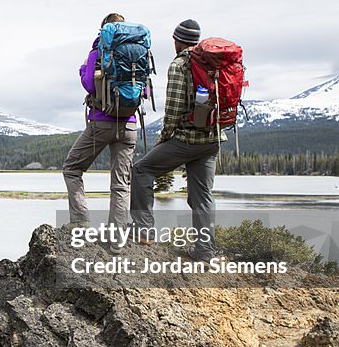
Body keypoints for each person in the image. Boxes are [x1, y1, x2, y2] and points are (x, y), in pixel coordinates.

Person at [130, 19, 224, 261]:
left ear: (177, 40)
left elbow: (173, 108)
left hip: (186, 140)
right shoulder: (213, 62)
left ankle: (143, 233)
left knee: (141, 170)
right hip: (212, 139)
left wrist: (164, 139)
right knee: (202, 196)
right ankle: (205, 252)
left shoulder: (181, 64)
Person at [62, 13, 138, 231]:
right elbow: (144, 92)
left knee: (72, 169)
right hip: (129, 124)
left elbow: (90, 85)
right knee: (121, 184)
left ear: (104, 30)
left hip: (101, 122)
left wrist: (83, 70)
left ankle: (80, 221)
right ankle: (118, 235)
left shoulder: (98, 52)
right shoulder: (136, 54)